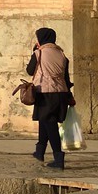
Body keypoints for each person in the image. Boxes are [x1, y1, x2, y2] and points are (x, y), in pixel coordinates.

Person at [26, 27, 73, 169]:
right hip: (61, 93)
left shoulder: (39, 53)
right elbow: (66, 78)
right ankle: (39, 151)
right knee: (45, 121)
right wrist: (69, 95)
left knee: (50, 124)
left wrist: (34, 52)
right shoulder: (62, 54)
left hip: (45, 93)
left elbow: (29, 71)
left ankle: (58, 157)